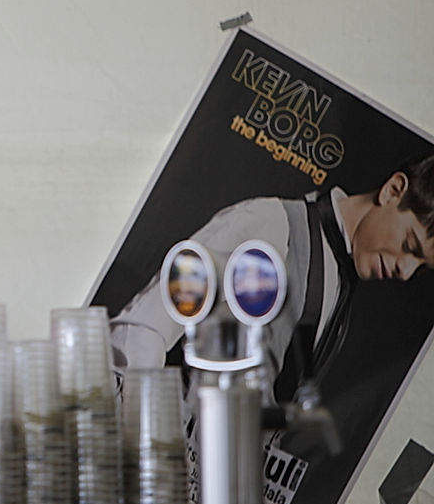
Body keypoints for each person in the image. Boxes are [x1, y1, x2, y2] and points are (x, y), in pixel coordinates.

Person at [110, 154, 434, 404]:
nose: (404, 272)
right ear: (394, 191)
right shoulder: (270, 224)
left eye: (419, 266)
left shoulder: (343, 281)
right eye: (409, 246)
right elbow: (145, 327)